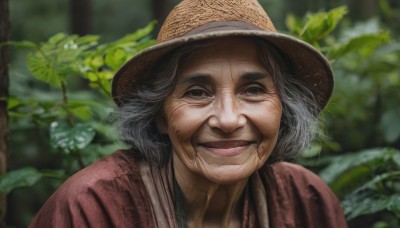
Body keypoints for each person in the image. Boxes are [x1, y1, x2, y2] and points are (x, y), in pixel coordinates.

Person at [30, 0, 347, 227]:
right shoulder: (92, 209)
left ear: (283, 109)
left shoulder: (308, 202)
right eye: (197, 93)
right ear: (161, 115)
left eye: (253, 90)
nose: (227, 119)